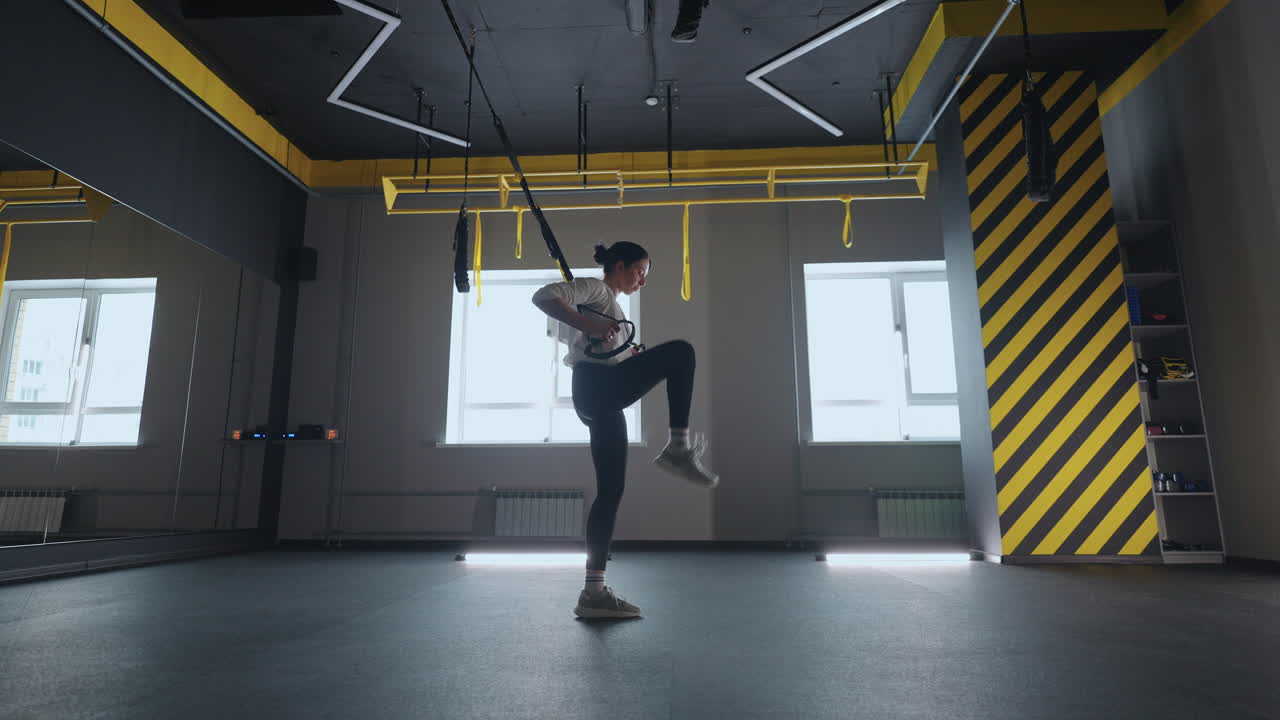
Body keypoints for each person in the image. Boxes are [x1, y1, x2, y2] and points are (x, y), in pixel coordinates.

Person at [531, 241, 718, 619]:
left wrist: (620, 349)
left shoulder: (608, 304)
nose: (642, 281)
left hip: (600, 394)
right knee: (681, 353)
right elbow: (543, 296)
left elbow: (588, 340)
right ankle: (678, 448)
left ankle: (593, 593)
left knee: (610, 492)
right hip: (596, 386)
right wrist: (589, 323)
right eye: (639, 272)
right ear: (619, 266)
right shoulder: (597, 289)